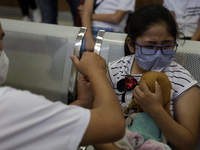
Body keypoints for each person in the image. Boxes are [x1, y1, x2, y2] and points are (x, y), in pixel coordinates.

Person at [0, 23, 125, 150]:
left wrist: (82, 101)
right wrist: (96, 72)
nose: (2, 47)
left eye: (2, 39)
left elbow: (44, 126)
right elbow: (113, 125)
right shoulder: (8, 102)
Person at [94, 4, 200, 150]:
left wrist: (156, 111)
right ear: (131, 45)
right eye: (150, 46)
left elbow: (188, 144)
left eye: (167, 45)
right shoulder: (114, 71)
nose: (158, 53)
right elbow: (96, 127)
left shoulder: (183, 82)